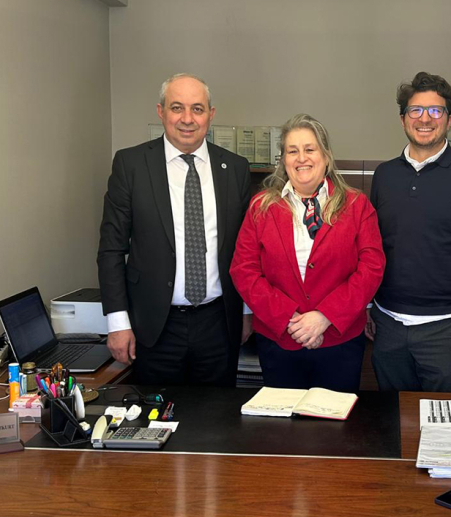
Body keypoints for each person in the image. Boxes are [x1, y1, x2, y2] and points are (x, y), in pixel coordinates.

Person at [97, 73, 251, 385]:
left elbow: (247, 249)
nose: (187, 119)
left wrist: (246, 312)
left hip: (219, 324)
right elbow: (111, 249)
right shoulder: (131, 165)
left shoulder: (235, 168)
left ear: (211, 114)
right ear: (161, 111)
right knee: (156, 413)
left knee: (217, 414)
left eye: (197, 109)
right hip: (153, 325)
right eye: (177, 107)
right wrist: (117, 322)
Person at [367, 72, 451, 392]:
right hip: (388, 326)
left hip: (449, 331)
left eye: (435, 110)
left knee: (444, 421)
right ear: (403, 119)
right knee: (393, 417)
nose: (425, 119)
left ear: (449, 119)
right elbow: (371, 248)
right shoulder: (384, 175)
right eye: (415, 110)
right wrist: (369, 305)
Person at [230, 114, 385, 392]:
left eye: (310, 149)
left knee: (335, 419)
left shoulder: (357, 205)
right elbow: (244, 270)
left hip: (339, 343)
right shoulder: (260, 207)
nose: (301, 158)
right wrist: (290, 320)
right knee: (283, 419)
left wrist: (325, 316)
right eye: (292, 151)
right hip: (279, 342)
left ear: (326, 156)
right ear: (283, 160)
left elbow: (371, 268)